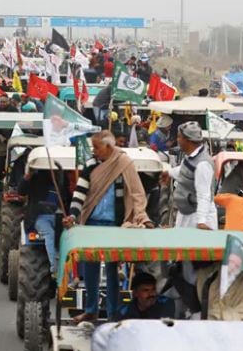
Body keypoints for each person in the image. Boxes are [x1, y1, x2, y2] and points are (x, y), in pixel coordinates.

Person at [64, 131, 153, 323]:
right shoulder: (90, 165)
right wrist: (72, 215)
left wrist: (142, 217)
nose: (94, 151)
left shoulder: (123, 163)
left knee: (113, 269)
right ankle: (91, 310)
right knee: (90, 269)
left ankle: (113, 314)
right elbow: (80, 192)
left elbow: (137, 192)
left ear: (109, 147)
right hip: (92, 222)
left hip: (115, 224)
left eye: (97, 147)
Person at [160, 121, 217, 315]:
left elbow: (204, 195)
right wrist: (168, 172)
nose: (177, 140)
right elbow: (183, 172)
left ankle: (197, 309)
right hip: (186, 216)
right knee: (183, 263)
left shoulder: (203, 164)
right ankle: (185, 307)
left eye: (179, 137)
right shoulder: (190, 159)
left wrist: (201, 222)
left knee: (196, 266)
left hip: (197, 218)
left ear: (187, 140)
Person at [18, 170, 67, 275]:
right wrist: (27, 177)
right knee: (50, 233)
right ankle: (56, 268)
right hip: (41, 217)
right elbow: (21, 191)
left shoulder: (63, 178)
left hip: (60, 216)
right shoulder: (36, 178)